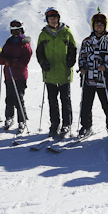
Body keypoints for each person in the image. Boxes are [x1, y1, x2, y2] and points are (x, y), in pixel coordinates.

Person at [36, 7, 77, 137]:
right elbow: (39, 52)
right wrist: (42, 63)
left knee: (65, 100)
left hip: (64, 72)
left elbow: (73, 48)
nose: (53, 20)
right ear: (47, 20)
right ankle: (55, 124)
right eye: (50, 18)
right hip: (50, 73)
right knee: (52, 101)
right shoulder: (43, 34)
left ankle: (67, 124)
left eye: (55, 18)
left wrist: (71, 60)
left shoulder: (66, 32)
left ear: (58, 19)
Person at [78, 10, 108, 140]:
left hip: (103, 78)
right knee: (86, 104)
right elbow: (82, 57)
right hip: (89, 78)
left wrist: (106, 67)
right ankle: (86, 126)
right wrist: (82, 67)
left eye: (101, 24)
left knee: (107, 104)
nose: (99, 27)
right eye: (96, 24)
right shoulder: (87, 41)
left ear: (105, 26)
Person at [0, 20, 32, 133]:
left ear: (21, 30)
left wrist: (12, 62)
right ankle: (9, 117)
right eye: (13, 31)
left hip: (20, 75)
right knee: (9, 98)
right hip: (9, 75)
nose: (15, 33)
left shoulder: (24, 43)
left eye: (18, 30)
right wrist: (1, 60)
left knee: (19, 98)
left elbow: (25, 61)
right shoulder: (9, 42)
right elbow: (2, 55)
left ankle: (22, 120)